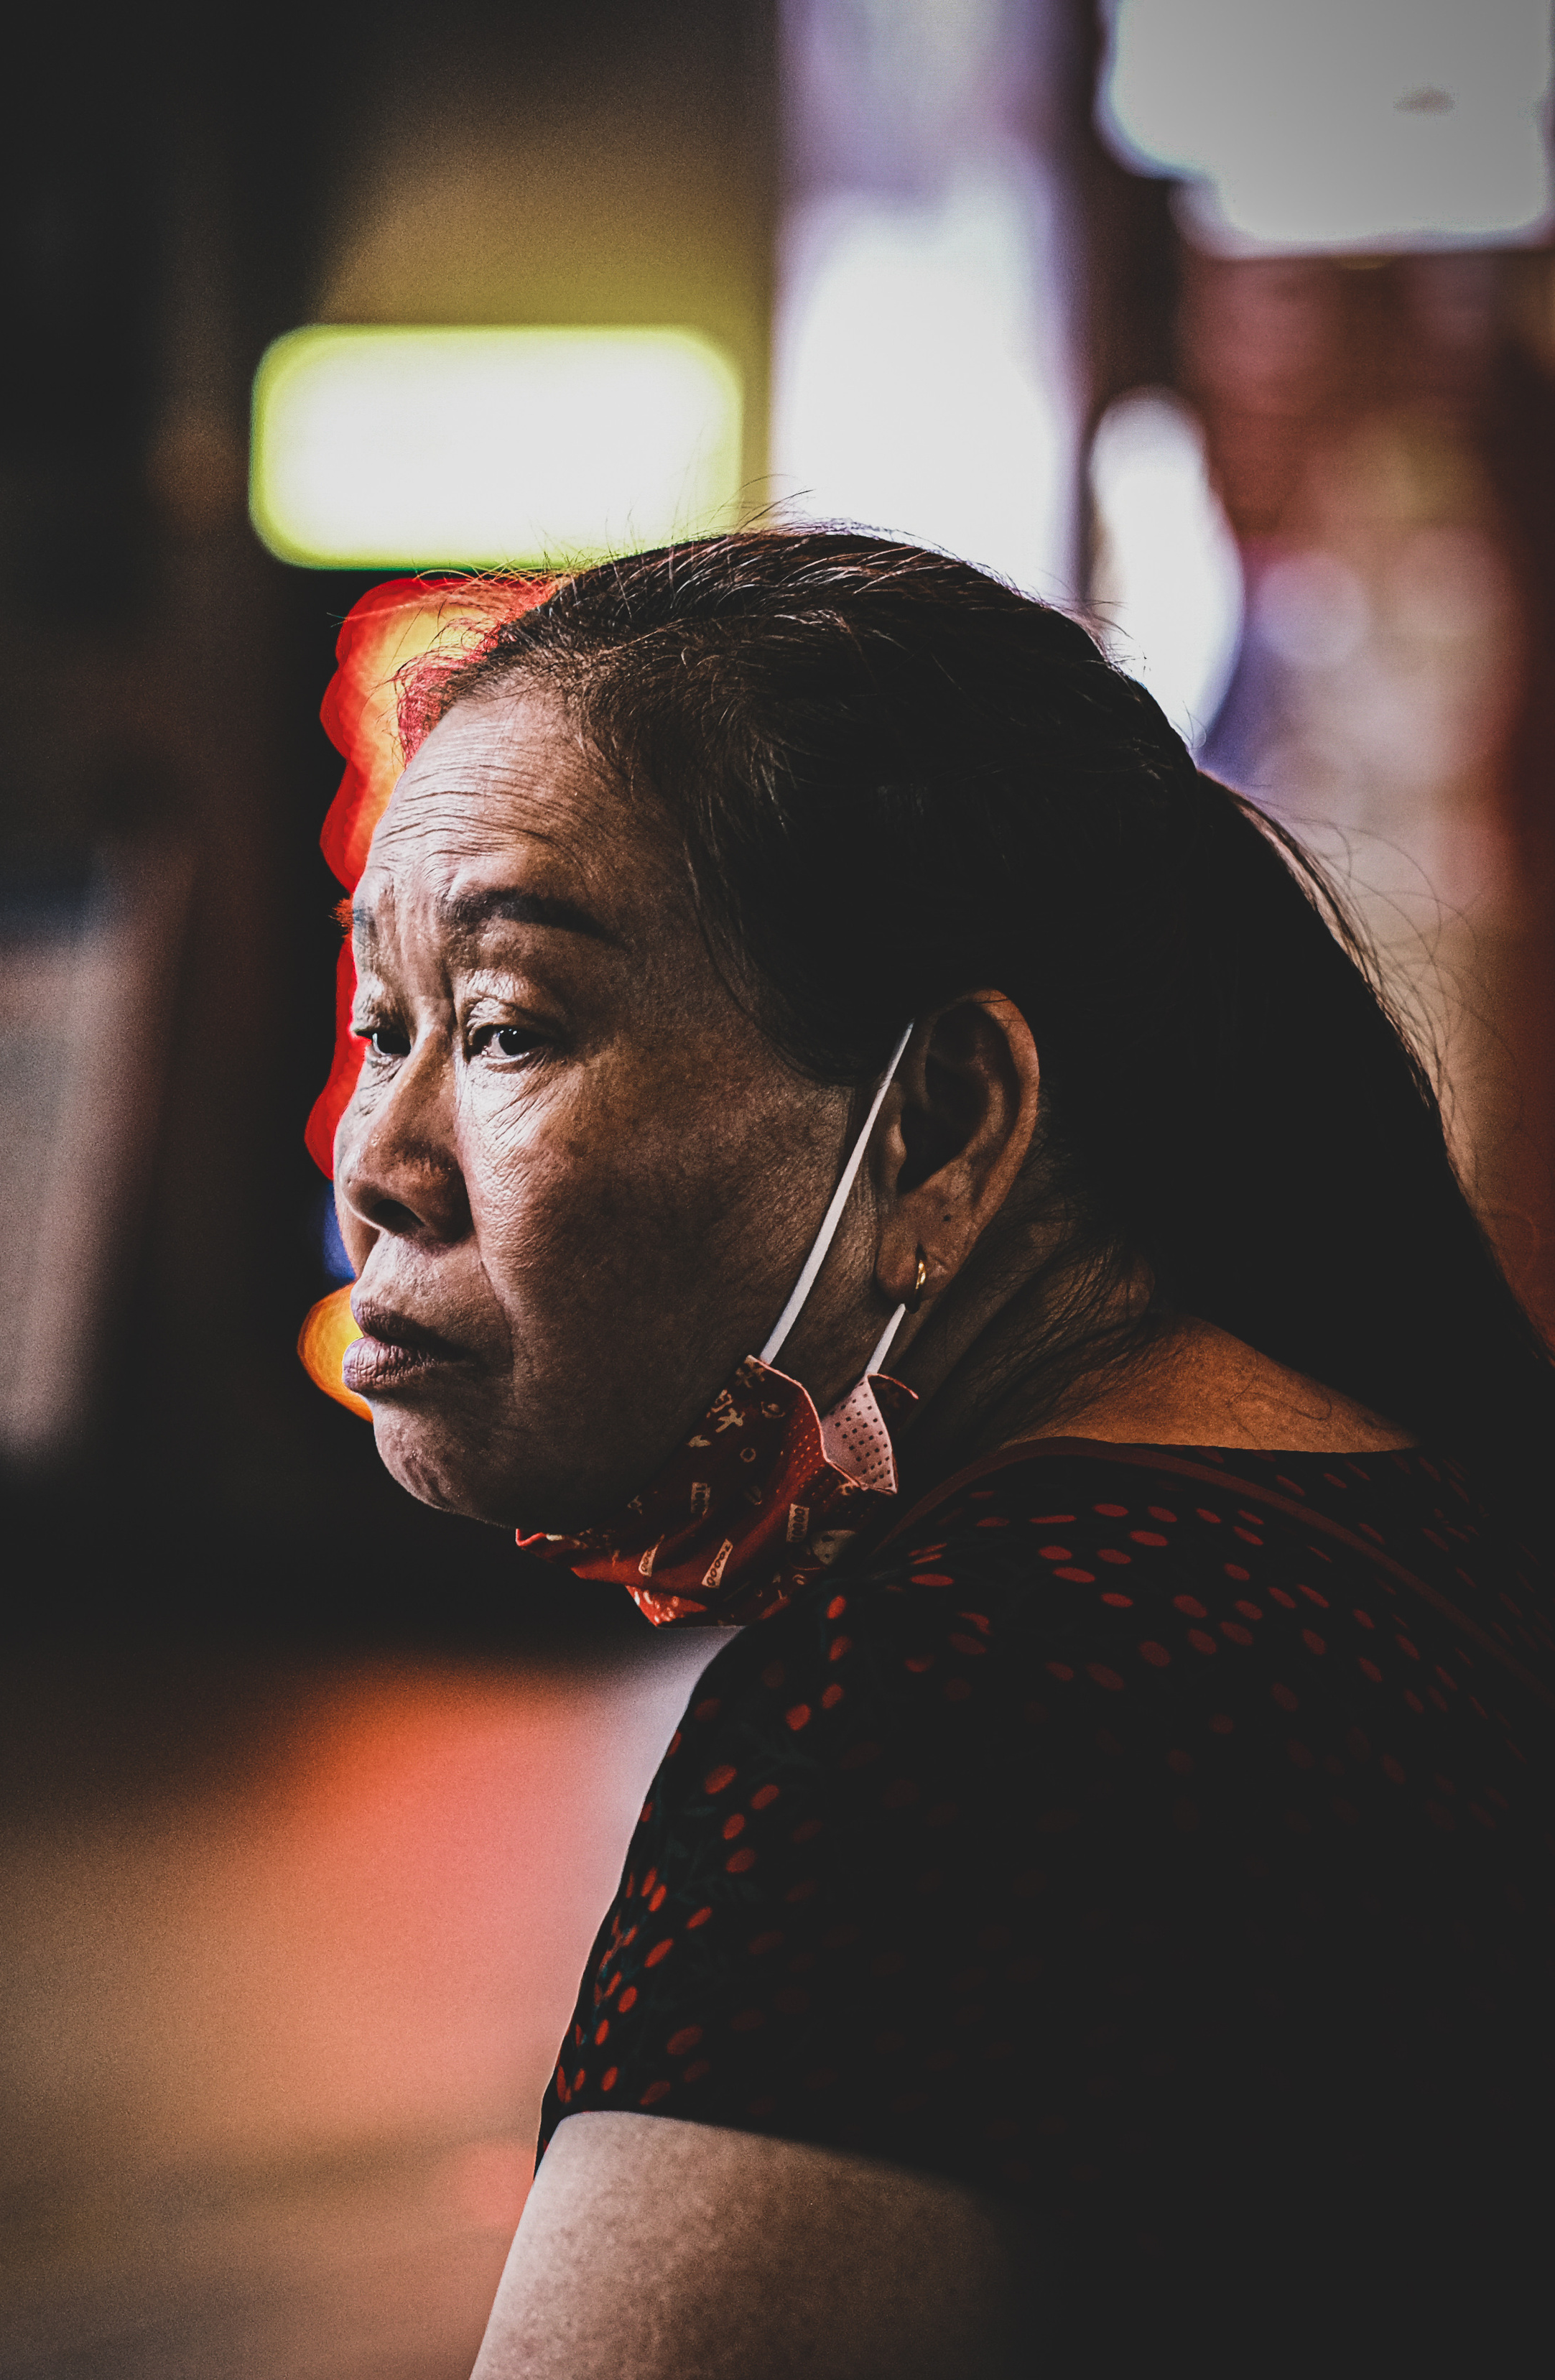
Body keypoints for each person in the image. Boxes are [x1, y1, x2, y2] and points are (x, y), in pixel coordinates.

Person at [313, 532, 1554, 2378]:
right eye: (380, 1024)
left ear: (946, 1121)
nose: (375, 1159)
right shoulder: (1391, 1509)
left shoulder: (973, 1697)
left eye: (504, 1027)